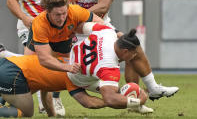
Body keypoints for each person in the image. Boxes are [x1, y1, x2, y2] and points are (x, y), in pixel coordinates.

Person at [0, 22, 152, 117]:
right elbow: (93, 102)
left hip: (13, 64)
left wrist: (52, 115)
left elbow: (81, 26)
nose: (134, 58)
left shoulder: (107, 32)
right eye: (133, 54)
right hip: (14, 73)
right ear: (125, 51)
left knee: (20, 93)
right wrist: (134, 102)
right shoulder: (103, 69)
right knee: (26, 113)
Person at [6, 0, 67, 115]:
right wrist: (24, 17)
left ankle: (53, 98)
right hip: (30, 25)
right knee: (37, 63)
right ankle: (45, 103)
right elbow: (11, 0)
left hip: (52, 25)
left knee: (51, 62)